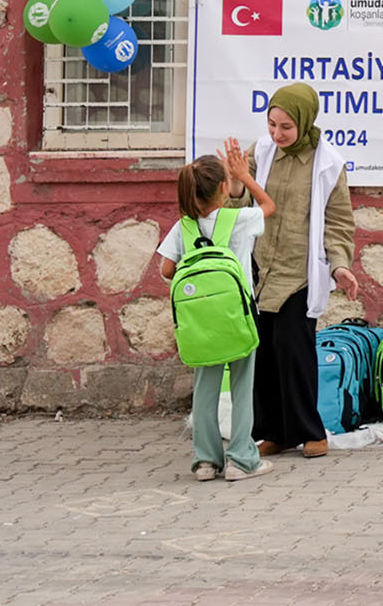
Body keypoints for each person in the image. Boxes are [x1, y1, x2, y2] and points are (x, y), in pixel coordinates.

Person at [221, 82, 362, 459]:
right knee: (263, 353)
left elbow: (338, 223)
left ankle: (310, 431)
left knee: (294, 352)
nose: (276, 134)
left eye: (286, 127)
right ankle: (275, 432)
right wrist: (236, 183)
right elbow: (241, 203)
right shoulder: (261, 152)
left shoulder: (328, 164)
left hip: (299, 272)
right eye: (271, 125)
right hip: (259, 268)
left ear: (305, 120)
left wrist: (340, 267)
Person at [156, 154, 277, 482]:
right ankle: (241, 459)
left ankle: (206, 462)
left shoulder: (182, 227)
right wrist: (246, 177)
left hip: (202, 323)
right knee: (242, 387)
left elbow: (167, 269)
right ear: (224, 188)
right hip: (237, 317)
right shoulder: (236, 219)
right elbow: (269, 206)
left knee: (205, 388)